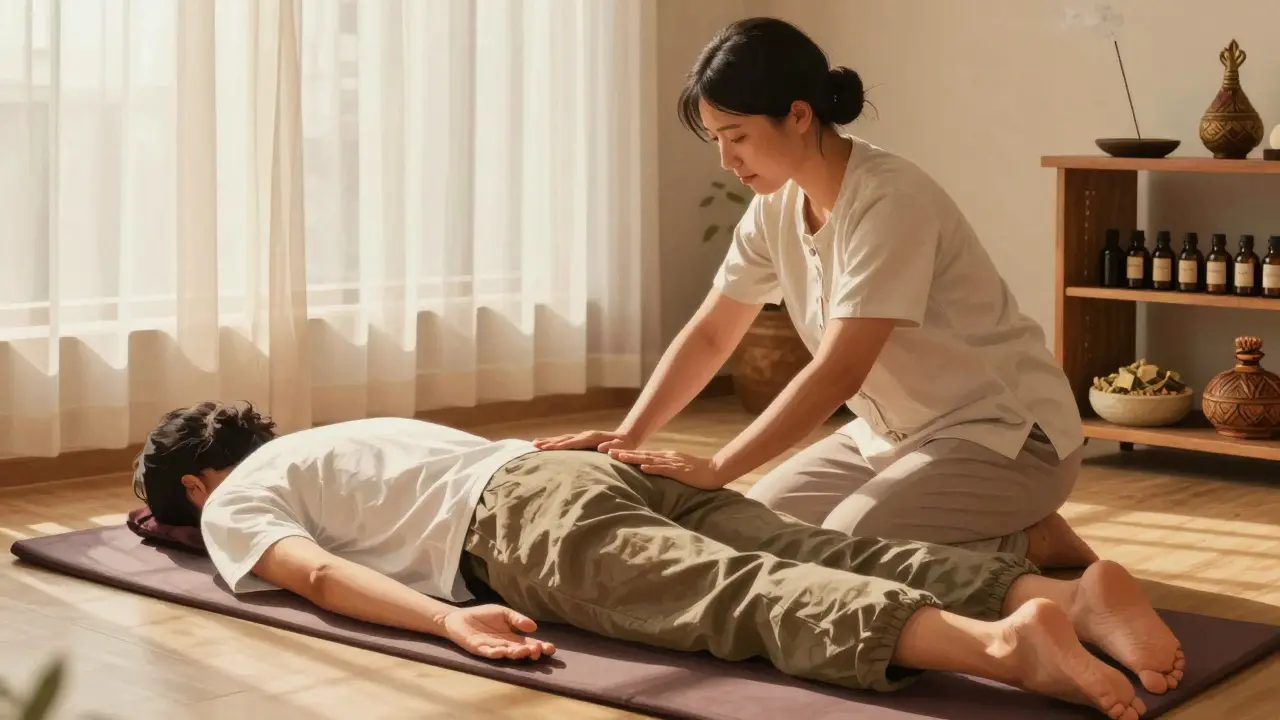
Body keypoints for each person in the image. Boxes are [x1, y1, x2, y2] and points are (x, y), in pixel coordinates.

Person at [133, 401, 1182, 719]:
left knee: (737, 592)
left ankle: (1002, 645)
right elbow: (518, 453)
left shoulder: (240, 495)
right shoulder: (348, 428)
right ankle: (1063, 591)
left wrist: (449, 619)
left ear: (196, 483)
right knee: (809, 542)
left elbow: (311, 576)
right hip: (585, 469)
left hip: (517, 520)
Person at [534, 17, 1096, 569]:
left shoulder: (889, 201)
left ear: (798, 115)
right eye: (717, 140)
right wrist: (627, 434)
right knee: (759, 528)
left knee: (852, 541)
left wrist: (719, 465)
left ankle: (1029, 542)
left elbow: (837, 373)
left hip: (1009, 434)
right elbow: (711, 333)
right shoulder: (775, 208)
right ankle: (977, 526)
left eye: (738, 137)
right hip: (893, 434)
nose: (727, 160)